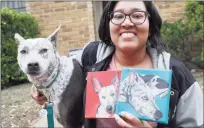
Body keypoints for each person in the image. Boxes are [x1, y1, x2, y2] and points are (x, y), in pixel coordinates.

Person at [31, 1, 203, 128]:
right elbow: (60, 72)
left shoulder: (177, 75)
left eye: (137, 15)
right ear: (108, 25)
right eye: (118, 16)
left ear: (150, 25)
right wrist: (43, 87)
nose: (127, 23)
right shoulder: (90, 57)